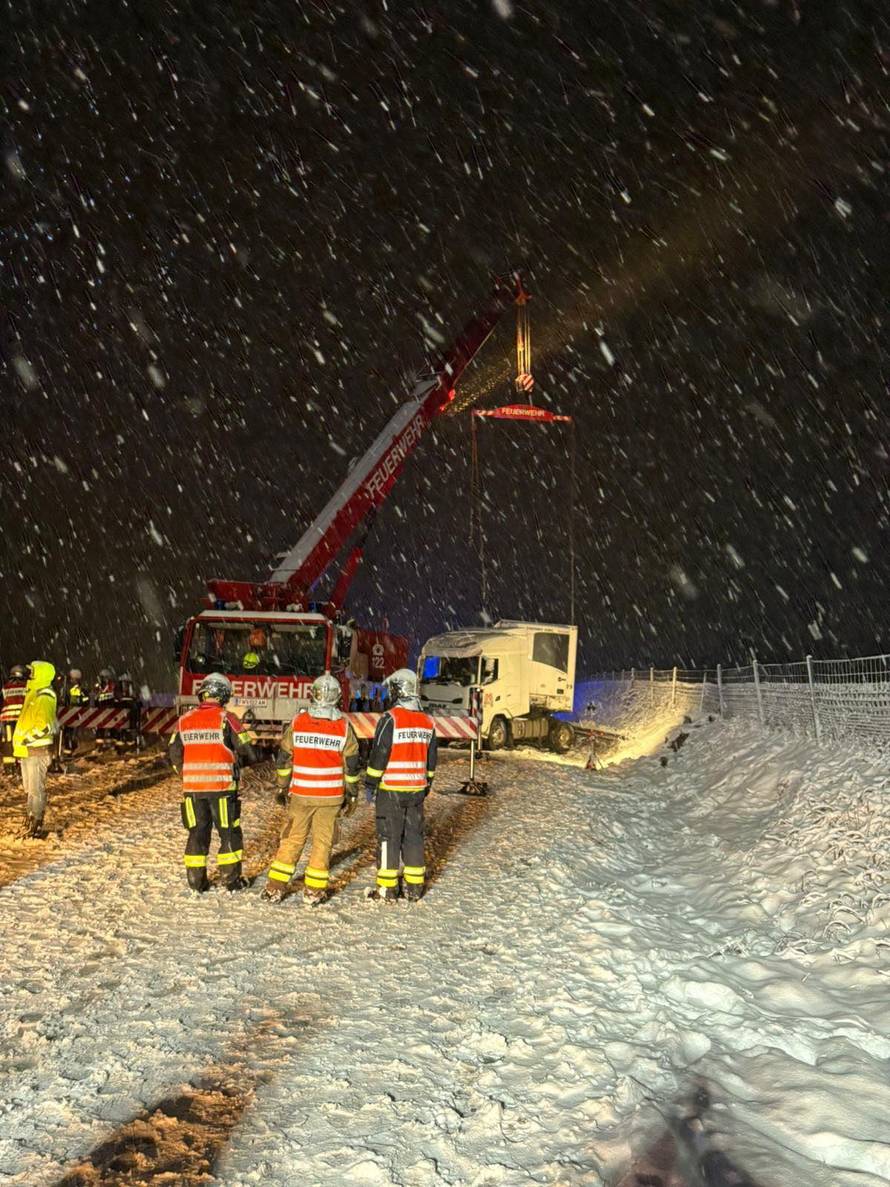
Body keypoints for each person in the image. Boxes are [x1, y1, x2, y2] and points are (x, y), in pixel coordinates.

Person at [263, 673, 362, 905]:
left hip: (301, 795)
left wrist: (282, 787)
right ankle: (314, 891)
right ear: (337, 697)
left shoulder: (298, 722)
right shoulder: (343, 727)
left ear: (313, 694)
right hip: (330, 797)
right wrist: (352, 794)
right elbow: (352, 765)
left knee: (292, 839)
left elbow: (284, 759)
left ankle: (275, 887)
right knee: (322, 843)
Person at [168, 673, 257, 892]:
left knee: (197, 832)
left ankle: (196, 882)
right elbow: (248, 750)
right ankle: (231, 880)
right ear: (224, 695)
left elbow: (174, 753)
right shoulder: (227, 719)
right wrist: (240, 761)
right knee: (228, 832)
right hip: (222, 790)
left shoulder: (184, 720)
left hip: (192, 790)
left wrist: (185, 773)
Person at [364, 667, 437, 902]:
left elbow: (380, 754)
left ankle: (387, 889)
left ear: (399, 691)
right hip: (416, 791)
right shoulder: (427, 721)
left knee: (389, 837)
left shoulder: (391, 719)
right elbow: (431, 759)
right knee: (414, 837)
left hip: (391, 791)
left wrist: (370, 783)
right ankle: (414, 888)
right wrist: (427, 783)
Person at [12, 661, 59, 836]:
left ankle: (37, 821)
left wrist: (27, 739)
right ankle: (31, 815)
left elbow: (44, 726)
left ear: (41, 674)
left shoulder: (44, 695)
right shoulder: (33, 692)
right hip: (28, 749)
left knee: (36, 788)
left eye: (32, 671)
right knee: (29, 788)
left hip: (36, 749)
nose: (29, 674)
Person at [0, 664, 28, 777]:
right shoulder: (27, 687)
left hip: (7, 719)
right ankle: (21, 766)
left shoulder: (5, 687)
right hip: (22, 719)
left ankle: (8, 767)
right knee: (22, 742)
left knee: (8, 742)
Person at [62, 668, 88, 755]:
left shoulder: (80, 690)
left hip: (75, 713)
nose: (71, 680)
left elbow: (85, 700)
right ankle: (69, 748)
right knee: (68, 731)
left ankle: (71, 747)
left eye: (72, 679)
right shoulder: (68, 688)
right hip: (69, 713)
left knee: (72, 732)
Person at [93, 667, 117, 751]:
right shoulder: (99, 686)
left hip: (110, 709)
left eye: (104, 677)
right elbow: (96, 697)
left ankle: (112, 745)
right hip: (101, 709)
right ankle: (99, 746)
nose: (103, 679)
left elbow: (114, 696)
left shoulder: (112, 686)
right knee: (100, 728)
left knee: (112, 727)